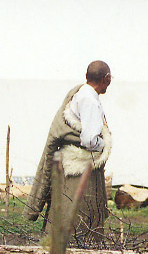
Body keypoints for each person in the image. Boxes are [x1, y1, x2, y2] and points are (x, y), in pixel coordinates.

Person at [25, 60, 113, 244]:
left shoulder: (79, 94)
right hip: (80, 169)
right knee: (80, 218)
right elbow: (88, 139)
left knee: (65, 213)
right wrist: (102, 145)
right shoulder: (89, 101)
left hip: (70, 167)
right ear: (106, 79)